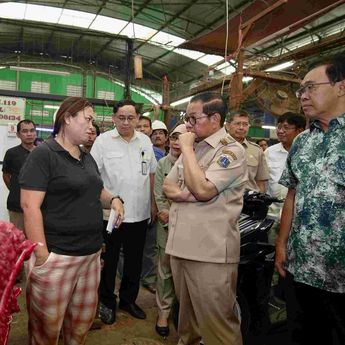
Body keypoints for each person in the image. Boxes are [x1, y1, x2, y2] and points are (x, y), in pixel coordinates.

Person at [18, 97, 124, 345]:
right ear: (67, 118)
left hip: (89, 256)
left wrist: (114, 199)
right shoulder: (44, 155)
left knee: (80, 326)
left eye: (92, 121)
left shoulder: (85, 156)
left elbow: (96, 190)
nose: (91, 125)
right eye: (87, 119)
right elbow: (29, 205)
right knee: (46, 330)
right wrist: (42, 255)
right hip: (58, 256)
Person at [163, 92, 247, 345]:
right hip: (180, 248)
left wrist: (187, 149)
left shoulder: (231, 151)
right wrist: (189, 192)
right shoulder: (196, 148)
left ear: (215, 118)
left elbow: (203, 190)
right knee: (186, 325)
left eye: (193, 118)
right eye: (186, 118)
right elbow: (168, 186)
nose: (188, 125)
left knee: (217, 328)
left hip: (209, 253)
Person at [275, 52, 345, 345]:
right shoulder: (303, 141)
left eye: (310, 87)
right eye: (300, 90)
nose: (302, 95)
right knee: (304, 335)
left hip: (340, 274)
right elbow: (292, 193)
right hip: (301, 267)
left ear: (341, 86)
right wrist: (281, 243)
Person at [91, 99, 157, 324]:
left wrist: (153, 206)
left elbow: (151, 174)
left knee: (134, 262)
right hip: (110, 216)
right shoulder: (102, 142)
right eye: (121, 118)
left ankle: (128, 300)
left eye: (131, 118)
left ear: (138, 118)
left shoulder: (145, 142)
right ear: (113, 118)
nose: (126, 122)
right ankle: (107, 302)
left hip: (140, 213)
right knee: (108, 262)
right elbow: (93, 178)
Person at [154, 123, 187, 338]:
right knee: (165, 272)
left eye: (181, 138)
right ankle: (163, 313)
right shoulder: (162, 164)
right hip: (167, 227)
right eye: (174, 137)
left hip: (190, 230)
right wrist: (169, 217)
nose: (176, 142)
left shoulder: (197, 164)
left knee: (185, 273)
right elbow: (160, 197)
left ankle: (184, 315)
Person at [265, 112, 306, 243]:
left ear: (300, 130)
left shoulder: (307, 152)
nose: (280, 131)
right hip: (272, 213)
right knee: (271, 250)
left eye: (286, 128)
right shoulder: (269, 152)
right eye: (278, 127)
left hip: (298, 215)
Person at [2, 119, 37, 232]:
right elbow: (6, 175)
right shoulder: (11, 153)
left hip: (37, 206)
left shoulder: (42, 153)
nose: (29, 134)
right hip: (16, 205)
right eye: (25, 131)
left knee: (35, 241)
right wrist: (15, 190)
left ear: (35, 133)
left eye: (32, 130)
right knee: (18, 240)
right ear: (18, 134)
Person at [225, 110, 269, 192]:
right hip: (223, 201)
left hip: (249, 202)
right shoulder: (218, 147)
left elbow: (260, 183)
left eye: (245, 124)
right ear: (227, 126)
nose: (241, 127)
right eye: (237, 124)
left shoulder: (257, 150)